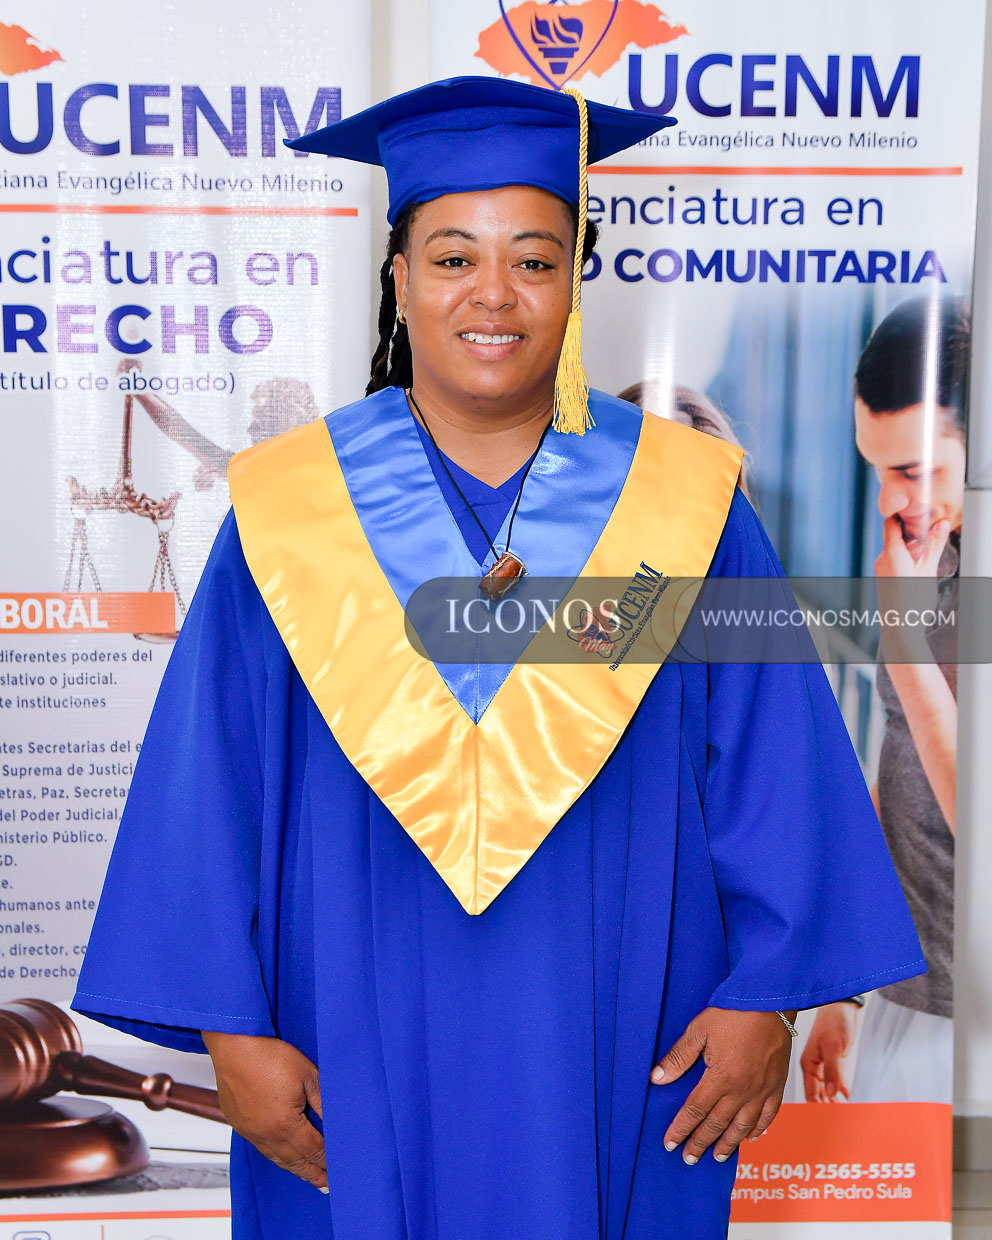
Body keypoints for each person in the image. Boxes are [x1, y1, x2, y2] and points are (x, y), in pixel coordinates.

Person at [72, 77, 926, 1240]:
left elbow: (773, 761)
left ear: (574, 278)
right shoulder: (293, 512)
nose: (492, 294)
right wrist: (231, 1031)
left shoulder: (680, 504)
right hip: (343, 1032)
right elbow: (206, 785)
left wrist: (766, 997)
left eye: (533, 259)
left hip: (628, 1029)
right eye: (450, 258)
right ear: (398, 278)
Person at [799, 294, 966, 1105]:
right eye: (877, 469)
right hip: (908, 995)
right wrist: (850, 987)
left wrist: (902, 643)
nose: (889, 502)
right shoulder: (935, 557)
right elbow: (902, 776)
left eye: (911, 470)